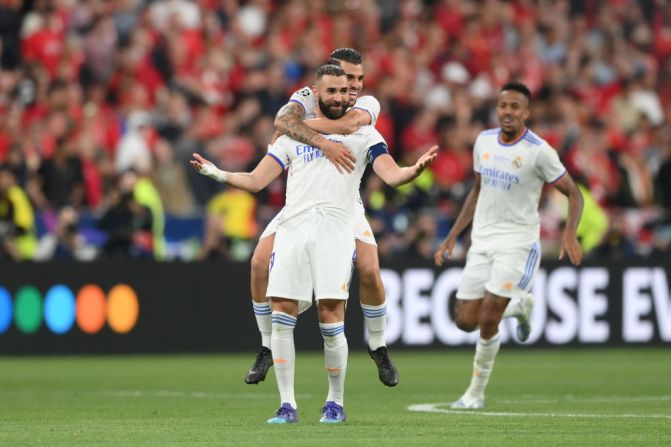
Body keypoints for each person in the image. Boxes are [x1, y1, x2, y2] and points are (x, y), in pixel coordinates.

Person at [191, 64, 437, 424]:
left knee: (330, 317)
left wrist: (412, 171)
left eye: (345, 91)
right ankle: (286, 405)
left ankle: (335, 403)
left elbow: (391, 173)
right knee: (282, 313)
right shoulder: (292, 137)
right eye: (332, 91)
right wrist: (218, 173)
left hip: (336, 229)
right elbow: (257, 180)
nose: (340, 96)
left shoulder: (365, 134)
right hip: (293, 227)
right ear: (316, 93)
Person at [245, 48, 399, 388]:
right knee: (258, 262)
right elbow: (282, 122)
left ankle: (378, 345)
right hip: (301, 202)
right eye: (348, 77)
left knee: (371, 270)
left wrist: (303, 129)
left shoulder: (368, 103)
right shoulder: (305, 94)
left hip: (343, 203)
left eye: (359, 79)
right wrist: (302, 132)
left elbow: (341, 125)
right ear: (329, 74)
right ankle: (266, 346)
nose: (354, 86)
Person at [433, 82, 584, 410]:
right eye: (504, 106)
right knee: (465, 321)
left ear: (526, 112)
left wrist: (569, 233)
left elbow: (574, 193)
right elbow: (477, 191)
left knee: (488, 317)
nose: (508, 112)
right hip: (482, 241)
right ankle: (519, 308)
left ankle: (475, 393)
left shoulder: (539, 151)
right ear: (497, 109)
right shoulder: (484, 141)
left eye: (516, 107)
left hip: (517, 243)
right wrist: (452, 236)